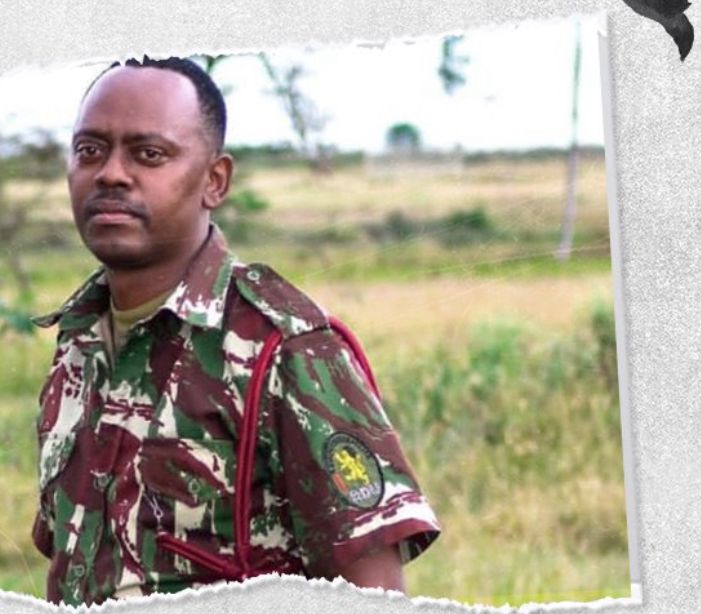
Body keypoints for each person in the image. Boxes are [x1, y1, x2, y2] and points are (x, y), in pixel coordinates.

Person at [30, 55, 440, 606]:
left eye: (149, 154)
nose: (111, 174)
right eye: (89, 150)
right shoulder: (79, 341)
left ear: (214, 180)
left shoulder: (285, 349)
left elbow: (375, 593)